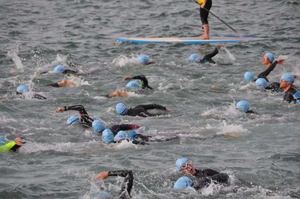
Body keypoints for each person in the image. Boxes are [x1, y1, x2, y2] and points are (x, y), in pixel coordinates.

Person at [54, 105, 140, 134]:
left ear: (74, 123)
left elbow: (81, 107)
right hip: (108, 129)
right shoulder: (85, 122)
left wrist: (65, 108)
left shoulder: (85, 120)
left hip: (106, 131)